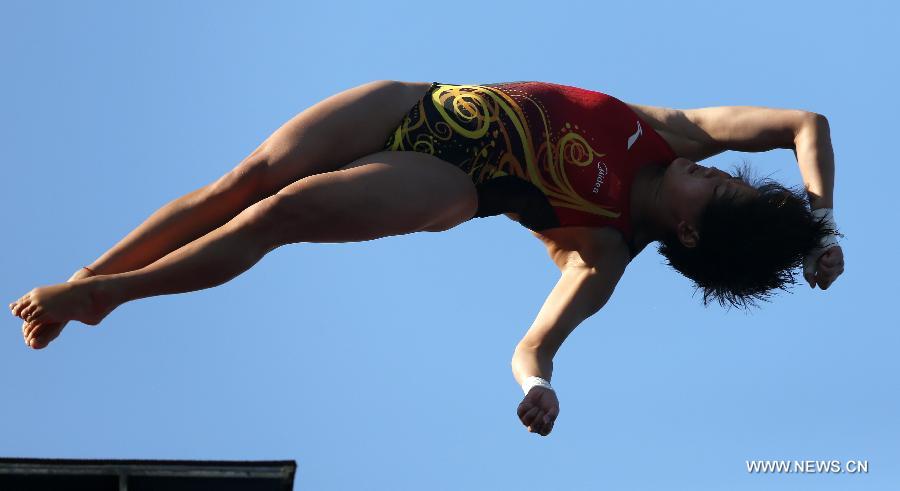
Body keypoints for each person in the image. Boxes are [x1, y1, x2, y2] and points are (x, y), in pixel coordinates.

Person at [8, 80, 844, 436]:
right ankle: (89, 277)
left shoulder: (604, 254)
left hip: (446, 177)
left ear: (693, 235)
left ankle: (109, 295)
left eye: (718, 192)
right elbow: (806, 122)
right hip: (419, 100)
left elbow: (534, 347)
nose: (712, 171)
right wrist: (826, 228)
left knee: (280, 211)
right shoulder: (670, 133)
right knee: (246, 177)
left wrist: (539, 386)